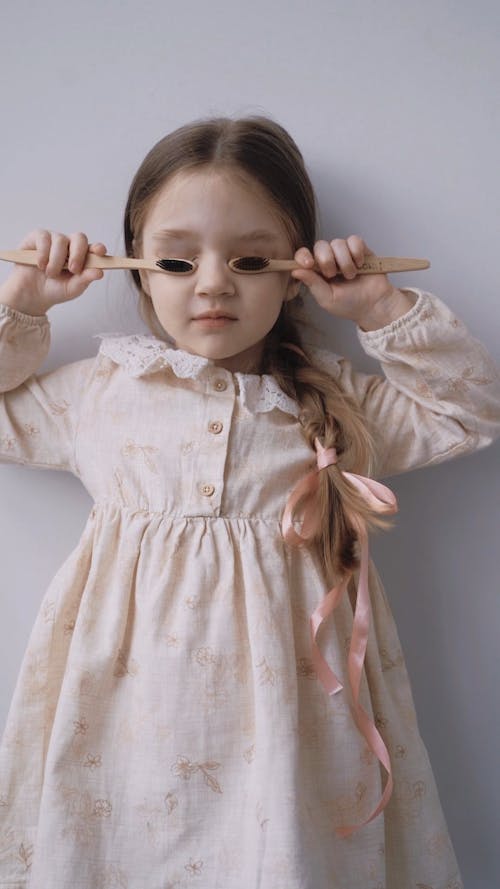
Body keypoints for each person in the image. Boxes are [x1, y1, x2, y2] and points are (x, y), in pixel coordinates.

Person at [0, 115, 499, 889]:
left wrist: (376, 307)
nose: (212, 283)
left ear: (295, 267)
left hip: (291, 729)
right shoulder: (104, 392)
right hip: (126, 720)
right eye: (175, 257)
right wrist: (26, 305)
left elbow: (470, 409)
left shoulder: (332, 405)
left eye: (251, 257)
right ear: (137, 267)